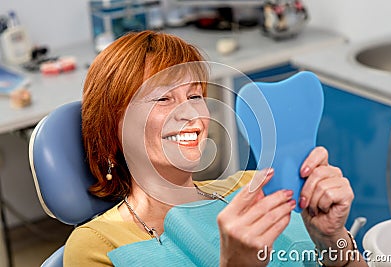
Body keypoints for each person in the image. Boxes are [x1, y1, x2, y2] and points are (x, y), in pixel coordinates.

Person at [64, 30, 367, 267]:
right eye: (162, 99)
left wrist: (333, 240)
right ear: (111, 129)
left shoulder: (255, 188)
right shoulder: (98, 245)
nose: (190, 114)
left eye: (195, 96)